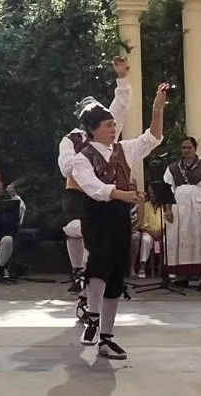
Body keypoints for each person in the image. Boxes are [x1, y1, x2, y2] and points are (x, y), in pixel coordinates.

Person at [60, 79, 168, 361]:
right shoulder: (82, 158)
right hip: (96, 214)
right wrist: (127, 194)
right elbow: (94, 189)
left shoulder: (123, 149)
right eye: (108, 125)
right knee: (100, 260)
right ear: (93, 129)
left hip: (119, 215)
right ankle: (92, 317)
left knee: (117, 271)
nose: (113, 128)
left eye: (113, 124)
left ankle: (106, 336)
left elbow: (152, 138)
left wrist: (158, 108)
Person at [61, 57, 131, 288]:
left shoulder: (107, 131)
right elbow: (66, 167)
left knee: (103, 238)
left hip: (106, 194)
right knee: (76, 229)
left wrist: (122, 78)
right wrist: (87, 160)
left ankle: (94, 275)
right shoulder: (71, 140)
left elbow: (120, 107)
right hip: (79, 194)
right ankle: (77, 270)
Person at [162, 137, 201, 284]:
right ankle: (181, 275)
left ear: (195, 149)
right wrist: (167, 209)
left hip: (197, 207)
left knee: (197, 236)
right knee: (177, 237)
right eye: (184, 148)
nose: (186, 150)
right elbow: (168, 189)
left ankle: (197, 273)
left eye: (189, 148)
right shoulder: (173, 168)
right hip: (177, 206)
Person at [131, 193, 162, 279]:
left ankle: (168, 269)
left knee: (168, 241)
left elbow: (167, 222)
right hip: (148, 232)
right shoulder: (145, 206)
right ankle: (142, 267)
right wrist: (151, 232)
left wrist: (161, 232)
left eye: (155, 195)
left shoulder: (163, 206)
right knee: (145, 240)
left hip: (162, 233)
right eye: (152, 195)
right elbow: (142, 223)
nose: (153, 197)